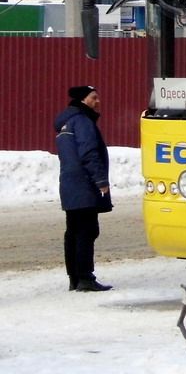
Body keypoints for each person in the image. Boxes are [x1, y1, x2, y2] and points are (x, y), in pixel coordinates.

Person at [55, 85, 113, 292]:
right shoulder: (82, 121)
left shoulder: (66, 123)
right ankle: (85, 278)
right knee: (87, 231)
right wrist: (100, 181)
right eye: (94, 97)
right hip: (84, 185)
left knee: (73, 232)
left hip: (70, 185)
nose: (98, 101)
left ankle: (75, 278)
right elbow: (88, 152)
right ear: (82, 100)